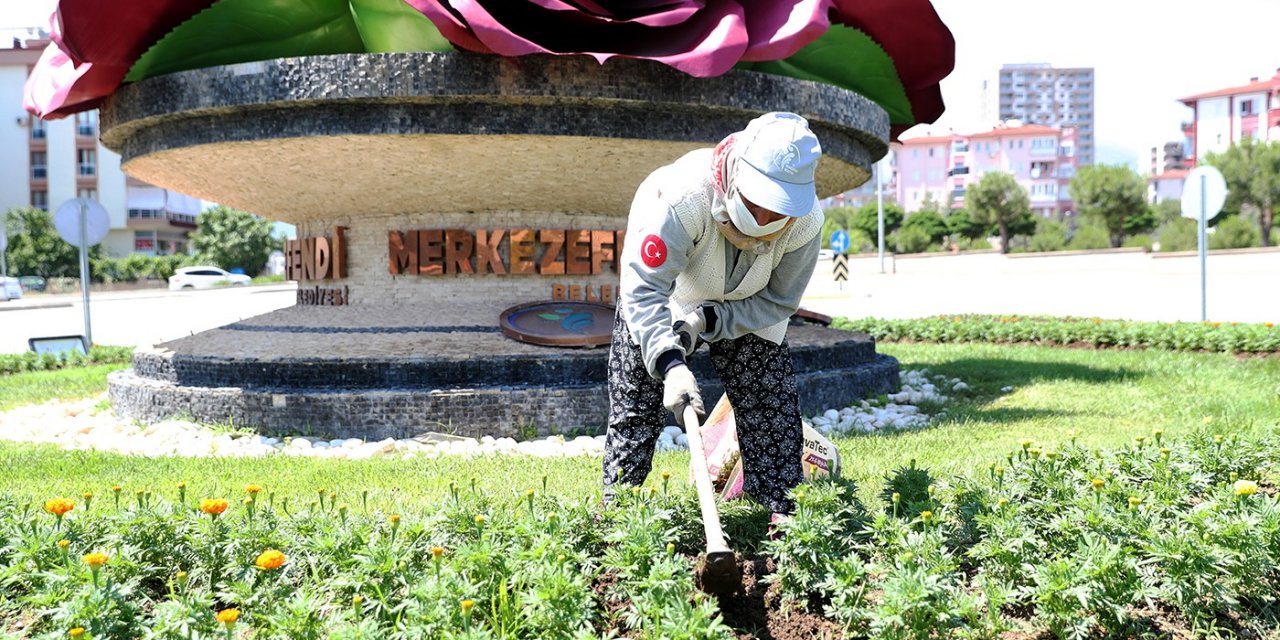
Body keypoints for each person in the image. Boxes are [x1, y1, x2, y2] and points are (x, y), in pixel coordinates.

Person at [602, 112, 824, 522]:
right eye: (759, 203)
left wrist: (709, 319)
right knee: (634, 405)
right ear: (738, 173)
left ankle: (781, 519)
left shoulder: (807, 224)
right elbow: (644, 291)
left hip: (749, 306)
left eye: (780, 210)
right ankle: (619, 516)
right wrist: (670, 364)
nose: (766, 221)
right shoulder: (680, 197)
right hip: (667, 297)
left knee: (770, 406)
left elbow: (778, 301)